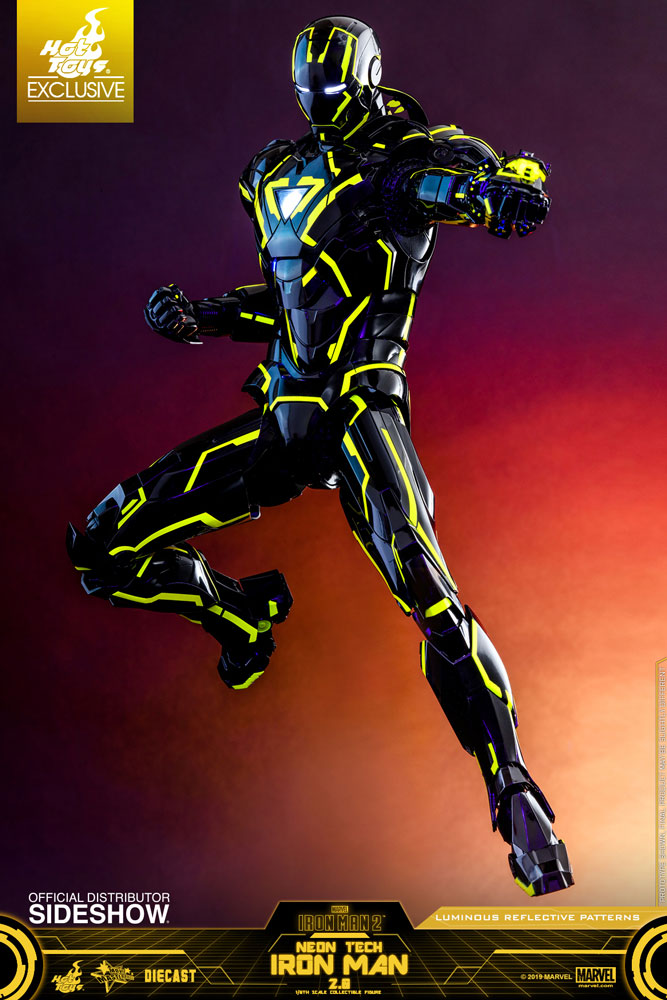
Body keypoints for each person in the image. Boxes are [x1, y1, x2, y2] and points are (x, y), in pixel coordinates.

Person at [67, 15, 573, 896]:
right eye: (315, 94)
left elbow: (460, 183)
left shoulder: (404, 163)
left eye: (336, 92)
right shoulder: (276, 174)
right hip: (283, 418)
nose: (325, 106)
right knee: (103, 549)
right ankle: (237, 618)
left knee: (428, 592)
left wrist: (499, 191)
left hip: (358, 409)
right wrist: (204, 317)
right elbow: (293, 298)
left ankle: (512, 787)